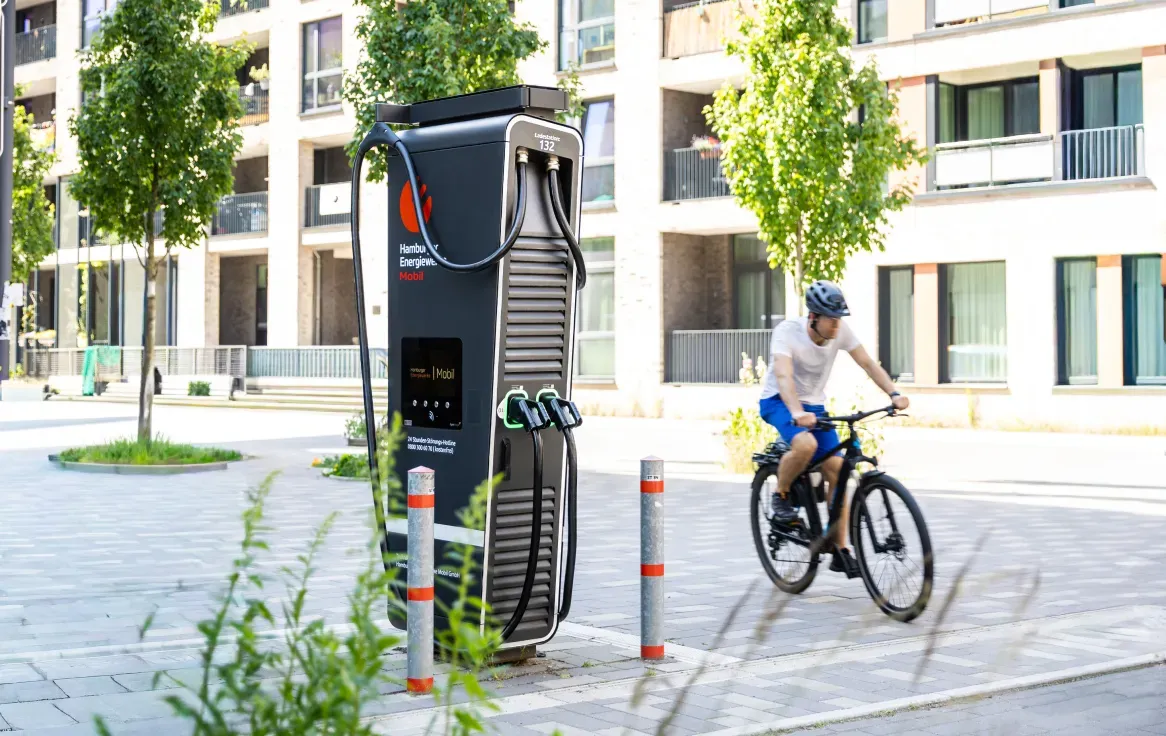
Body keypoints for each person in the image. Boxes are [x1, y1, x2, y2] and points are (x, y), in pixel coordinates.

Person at [758, 280, 909, 575]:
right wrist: (796, 411)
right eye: (831, 319)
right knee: (806, 445)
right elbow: (784, 376)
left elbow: (868, 364)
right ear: (813, 317)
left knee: (839, 472)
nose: (836, 326)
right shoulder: (787, 332)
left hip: (814, 407)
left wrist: (893, 393)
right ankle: (781, 494)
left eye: (839, 319)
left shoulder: (840, 331)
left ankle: (841, 549)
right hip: (779, 401)